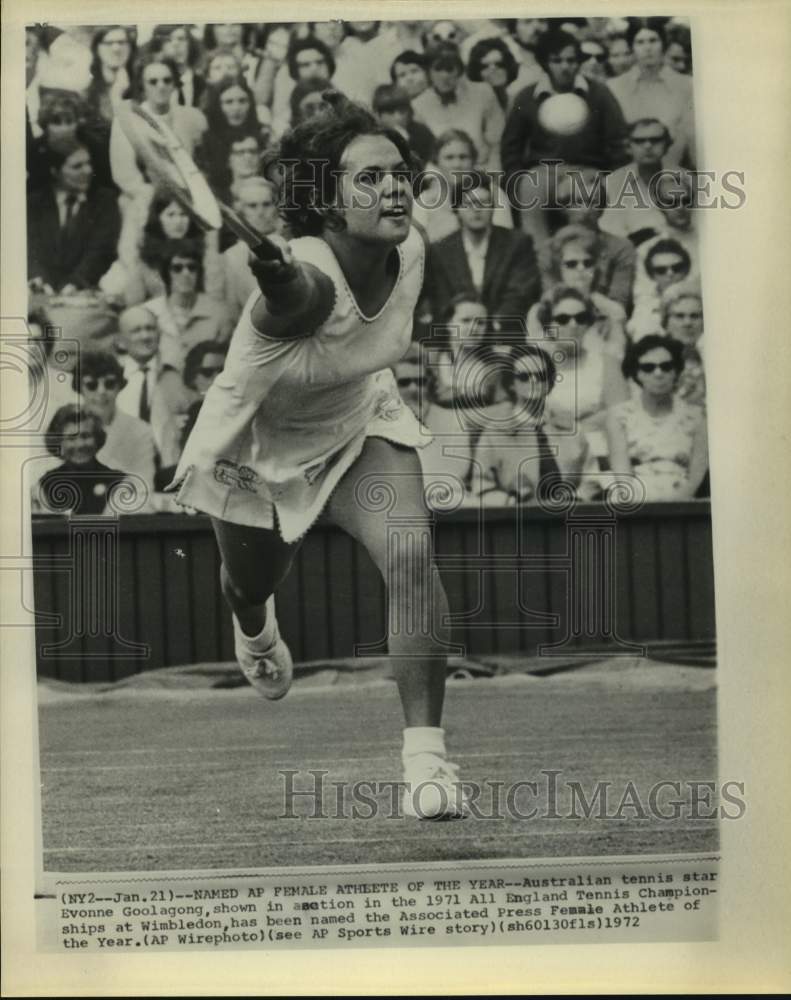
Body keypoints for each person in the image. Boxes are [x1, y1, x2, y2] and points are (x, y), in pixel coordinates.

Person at [170, 94, 468, 820]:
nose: (393, 188)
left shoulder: (413, 247)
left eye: (397, 173)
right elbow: (300, 299)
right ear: (325, 202)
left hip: (360, 419)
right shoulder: (300, 277)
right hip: (261, 450)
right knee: (248, 582)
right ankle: (254, 623)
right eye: (367, 179)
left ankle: (426, 763)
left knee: (409, 553)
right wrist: (275, 273)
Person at [500, 27, 629, 246]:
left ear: (578, 62)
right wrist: (516, 178)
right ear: (544, 63)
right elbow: (511, 146)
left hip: (586, 170)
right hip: (543, 172)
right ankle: (540, 258)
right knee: (529, 188)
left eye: (571, 60)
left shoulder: (598, 93)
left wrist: (609, 177)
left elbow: (618, 141)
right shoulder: (527, 96)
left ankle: (584, 254)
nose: (565, 67)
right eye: (557, 61)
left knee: (585, 200)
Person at [533, 284, 630, 487]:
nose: (573, 324)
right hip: (552, 455)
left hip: (600, 451)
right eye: (562, 319)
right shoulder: (535, 366)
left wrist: (567, 424)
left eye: (581, 318)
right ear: (548, 325)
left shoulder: (606, 362)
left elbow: (620, 415)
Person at [425, 171, 541, 339]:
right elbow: (442, 300)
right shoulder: (441, 250)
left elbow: (520, 293)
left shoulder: (517, 243)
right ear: (456, 209)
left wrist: (491, 327)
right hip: (457, 337)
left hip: (504, 333)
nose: (477, 210)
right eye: (469, 203)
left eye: (484, 203)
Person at [606, 334, 708, 500]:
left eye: (666, 366)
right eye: (648, 368)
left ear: (676, 371)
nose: (658, 373)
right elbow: (622, 477)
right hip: (633, 501)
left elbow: (695, 477)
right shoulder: (619, 416)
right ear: (636, 373)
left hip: (683, 504)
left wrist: (674, 507)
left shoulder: (696, 417)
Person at [472, 343, 563, 505]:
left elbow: (590, 479)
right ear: (511, 384)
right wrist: (510, 502)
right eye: (523, 376)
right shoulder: (494, 433)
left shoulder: (569, 428)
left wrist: (580, 499)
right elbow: (482, 486)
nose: (533, 381)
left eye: (540, 375)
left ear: (549, 383)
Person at [27, 139, 121, 295]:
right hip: (39, 289)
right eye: (77, 166)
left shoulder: (105, 201)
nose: (88, 170)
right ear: (55, 171)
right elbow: (30, 250)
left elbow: (100, 251)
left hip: (85, 289)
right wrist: (40, 282)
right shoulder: (34, 203)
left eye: (88, 163)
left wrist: (74, 284)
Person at [607, 17, 695, 167]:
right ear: (631, 47)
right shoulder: (614, 87)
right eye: (640, 42)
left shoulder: (686, 85)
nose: (647, 48)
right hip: (627, 176)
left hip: (673, 175)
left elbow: (693, 141)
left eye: (653, 40)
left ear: (664, 45)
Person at [528, 224, 626, 356]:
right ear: (559, 267)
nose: (581, 269)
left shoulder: (611, 310)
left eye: (588, 263)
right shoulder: (541, 310)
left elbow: (617, 355)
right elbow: (539, 356)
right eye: (571, 264)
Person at [115, 305, 190, 474]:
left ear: (160, 333)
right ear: (120, 340)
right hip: (122, 471)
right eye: (136, 330)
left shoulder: (177, 379)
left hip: (169, 471)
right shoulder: (110, 380)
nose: (145, 336)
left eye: (150, 328)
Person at [73, 350, 157, 499]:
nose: (101, 391)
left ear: (120, 386)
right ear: (80, 388)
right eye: (91, 385)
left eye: (110, 384)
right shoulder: (67, 428)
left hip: (123, 511)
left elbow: (144, 486)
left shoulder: (140, 431)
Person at [412, 45, 505, 172]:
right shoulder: (418, 105)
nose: (444, 75)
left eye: (449, 69)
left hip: (482, 171)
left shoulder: (483, 92)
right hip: (442, 177)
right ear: (429, 72)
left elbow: (496, 144)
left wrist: (493, 178)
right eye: (438, 69)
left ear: (459, 70)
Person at [412, 129, 513, 243]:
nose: (457, 165)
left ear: (473, 161)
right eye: (449, 158)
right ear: (437, 162)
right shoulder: (425, 200)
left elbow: (505, 241)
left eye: (463, 157)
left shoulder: (494, 194)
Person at [144, 240, 232, 372]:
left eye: (192, 267)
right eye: (177, 268)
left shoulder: (218, 314)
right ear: (166, 273)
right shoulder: (149, 312)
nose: (186, 274)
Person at [35, 405, 129, 515]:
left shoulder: (118, 482)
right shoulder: (46, 485)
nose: (80, 445)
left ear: (97, 438)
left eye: (86, 436)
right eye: (71, 438)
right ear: (59, 442)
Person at [600, 118, 680, 242]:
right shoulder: (613, 182)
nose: (648, 146)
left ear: (667, 145)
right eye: (639, 141)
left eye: (655, 140)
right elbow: (611, 232)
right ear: (628, 147)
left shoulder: (688, 180)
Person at [220, 177, 282, 323]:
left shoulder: (294, 245)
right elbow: (233, 312)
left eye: (266, 204)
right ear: (241, 211)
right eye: (252, 206)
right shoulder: (232, 257)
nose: (260, 212)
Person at [629, 236, 692, 338]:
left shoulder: (702, 296)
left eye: (676, 268)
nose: (670, 273)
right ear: (652, 275)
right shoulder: (645, 306)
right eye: (661, 270)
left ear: (686, 269)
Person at [660, 281, 705, 407]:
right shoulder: (654, 357)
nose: (687, 323)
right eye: (679, 316)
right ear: (665, 322)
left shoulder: (711, 356)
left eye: (695, 316)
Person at [371, 84, 436, 167]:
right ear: (378, 115)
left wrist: (408, 143)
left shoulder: (422, 133)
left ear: (409, 111)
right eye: (390, 113)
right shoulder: (373, 137)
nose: (398, 117)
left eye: (402, 111)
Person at [466, 37, 519, 111]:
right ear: (476, 71)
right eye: (485, 66)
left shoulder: (520, 99)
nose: (493, 70)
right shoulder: (473, 107)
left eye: (499, 64)